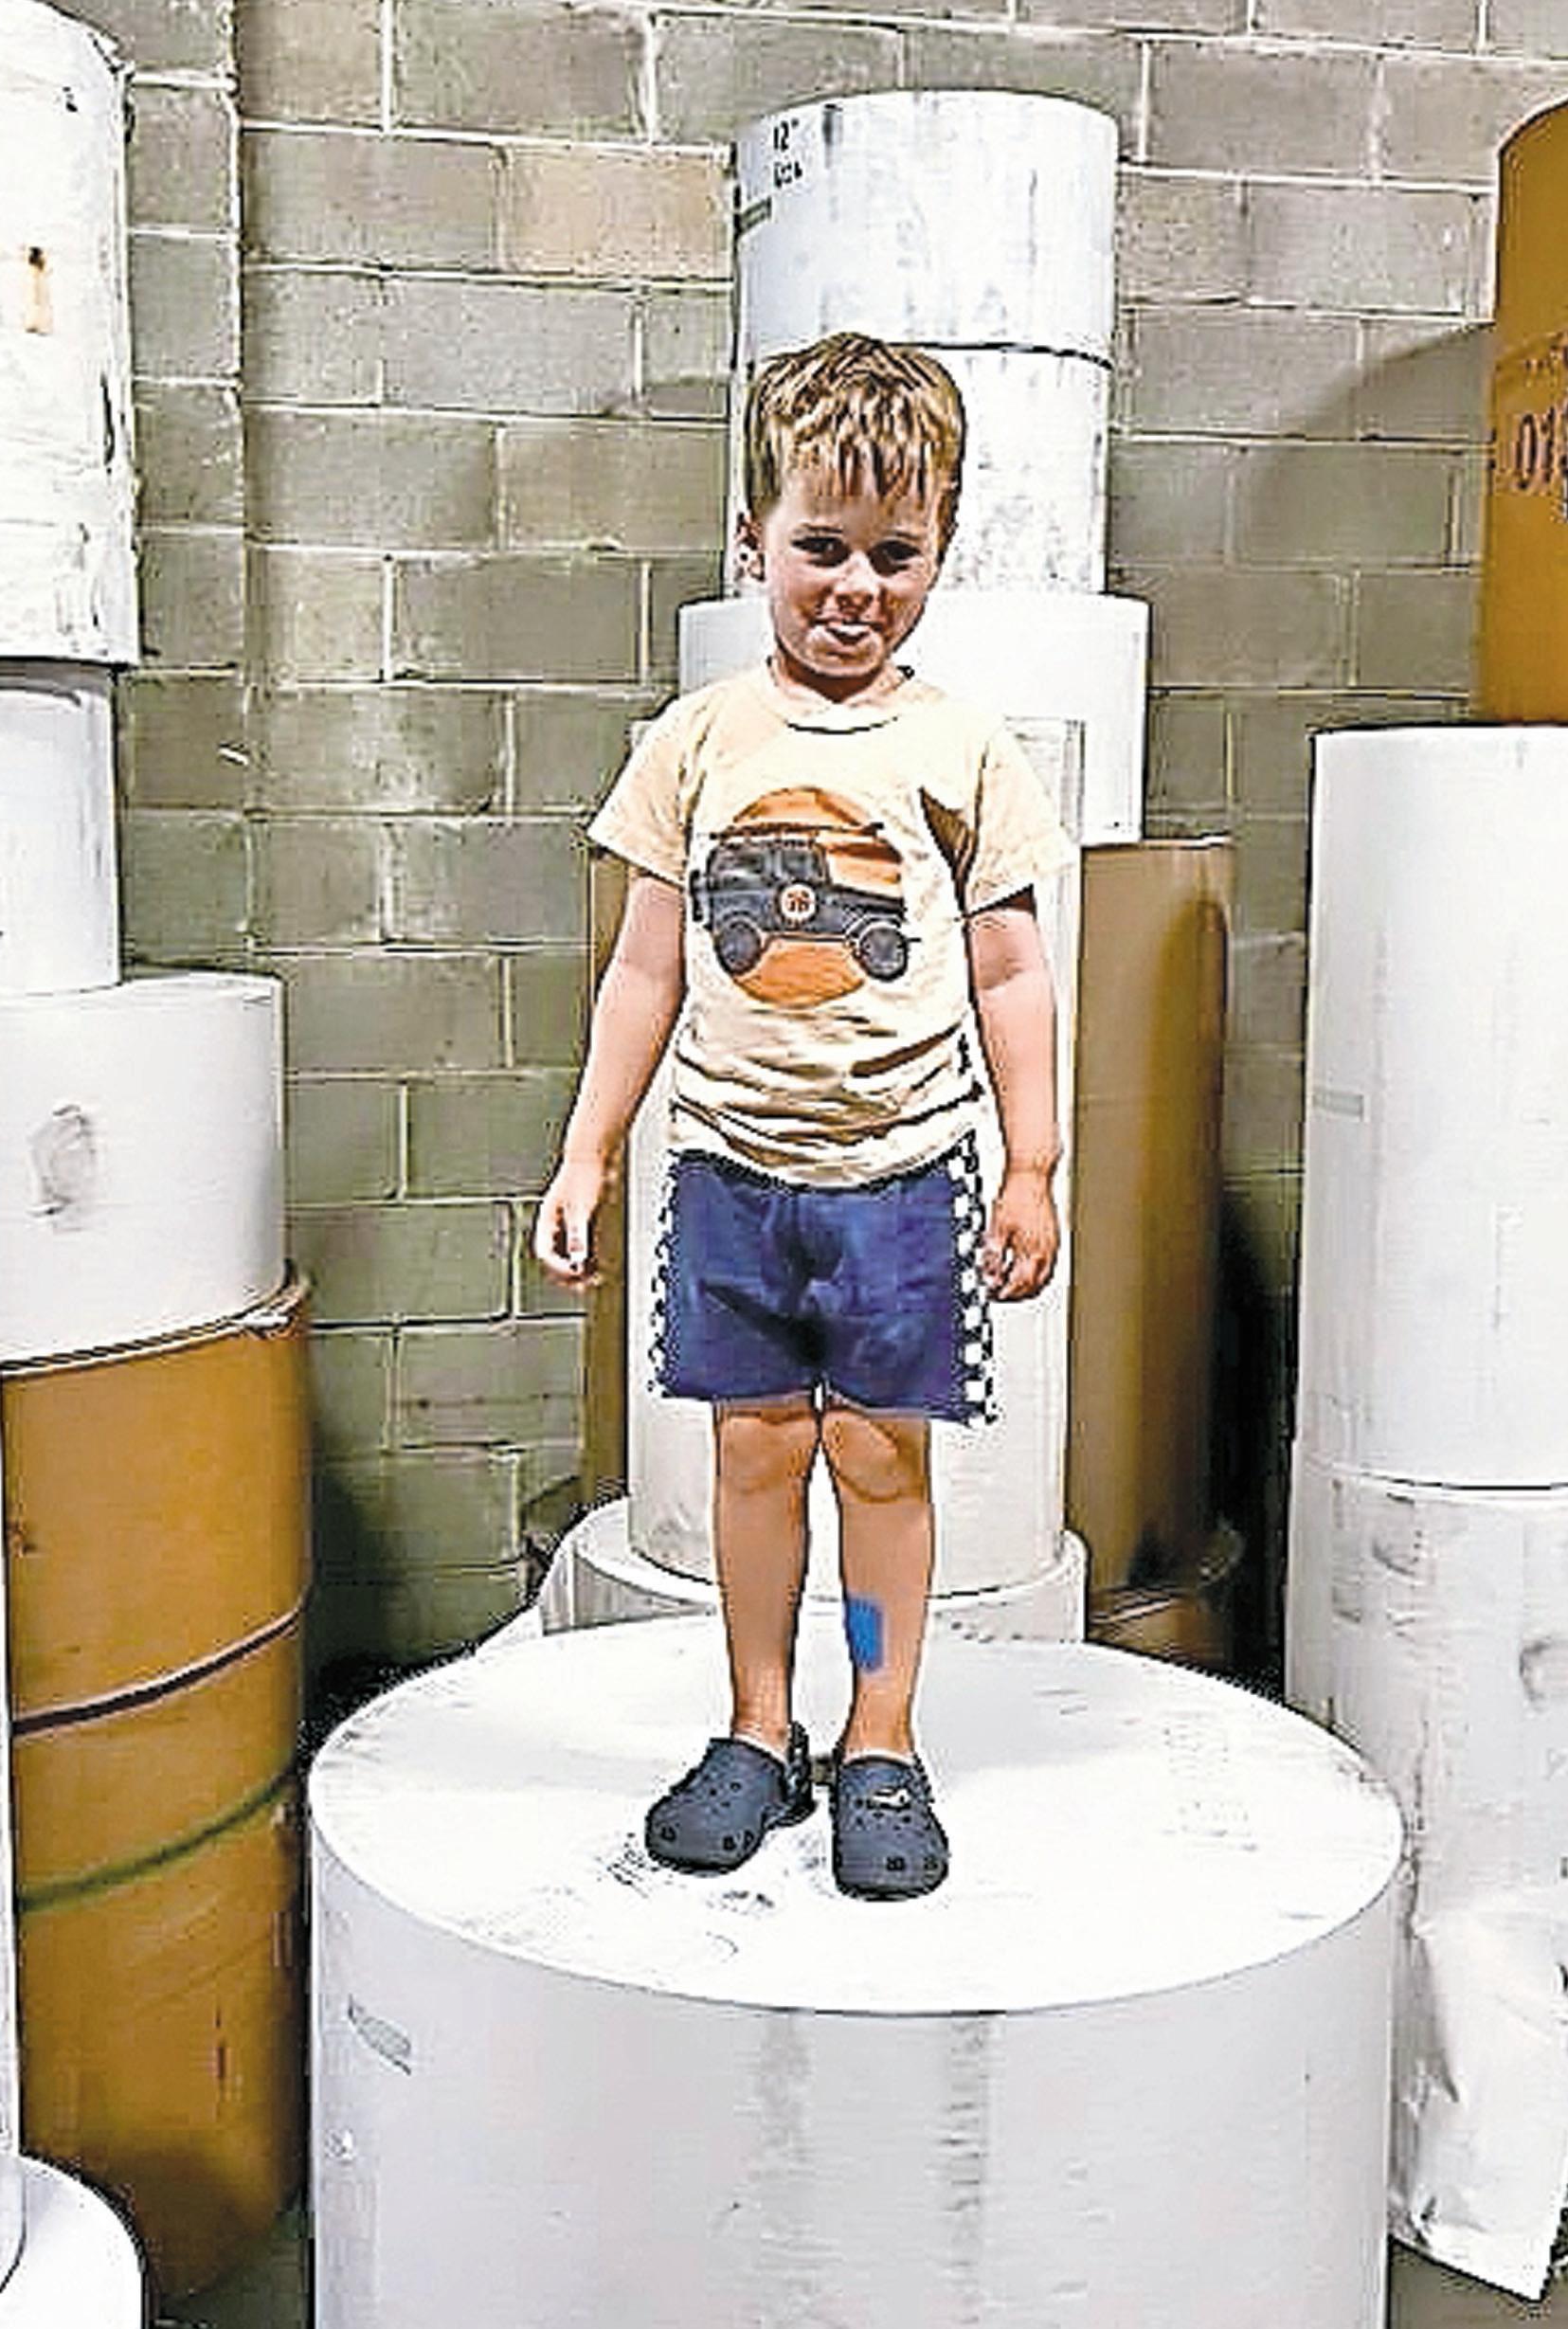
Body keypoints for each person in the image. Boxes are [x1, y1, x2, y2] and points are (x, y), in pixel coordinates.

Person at [532, 331, 1072, 1901]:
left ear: (940, 553)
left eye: (894, 555)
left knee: (881, 1462)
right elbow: (645, 966)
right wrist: (587, 1150)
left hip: (901, 1179)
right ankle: (758, 1726)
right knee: (756, 1455)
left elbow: (1011, 969)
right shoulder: (697, 740)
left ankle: (879, 1735)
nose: (853, 587)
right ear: (750, 541)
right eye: (819, 546)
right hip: (730, 1176)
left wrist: (1031, 1162)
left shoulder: (960, 747)